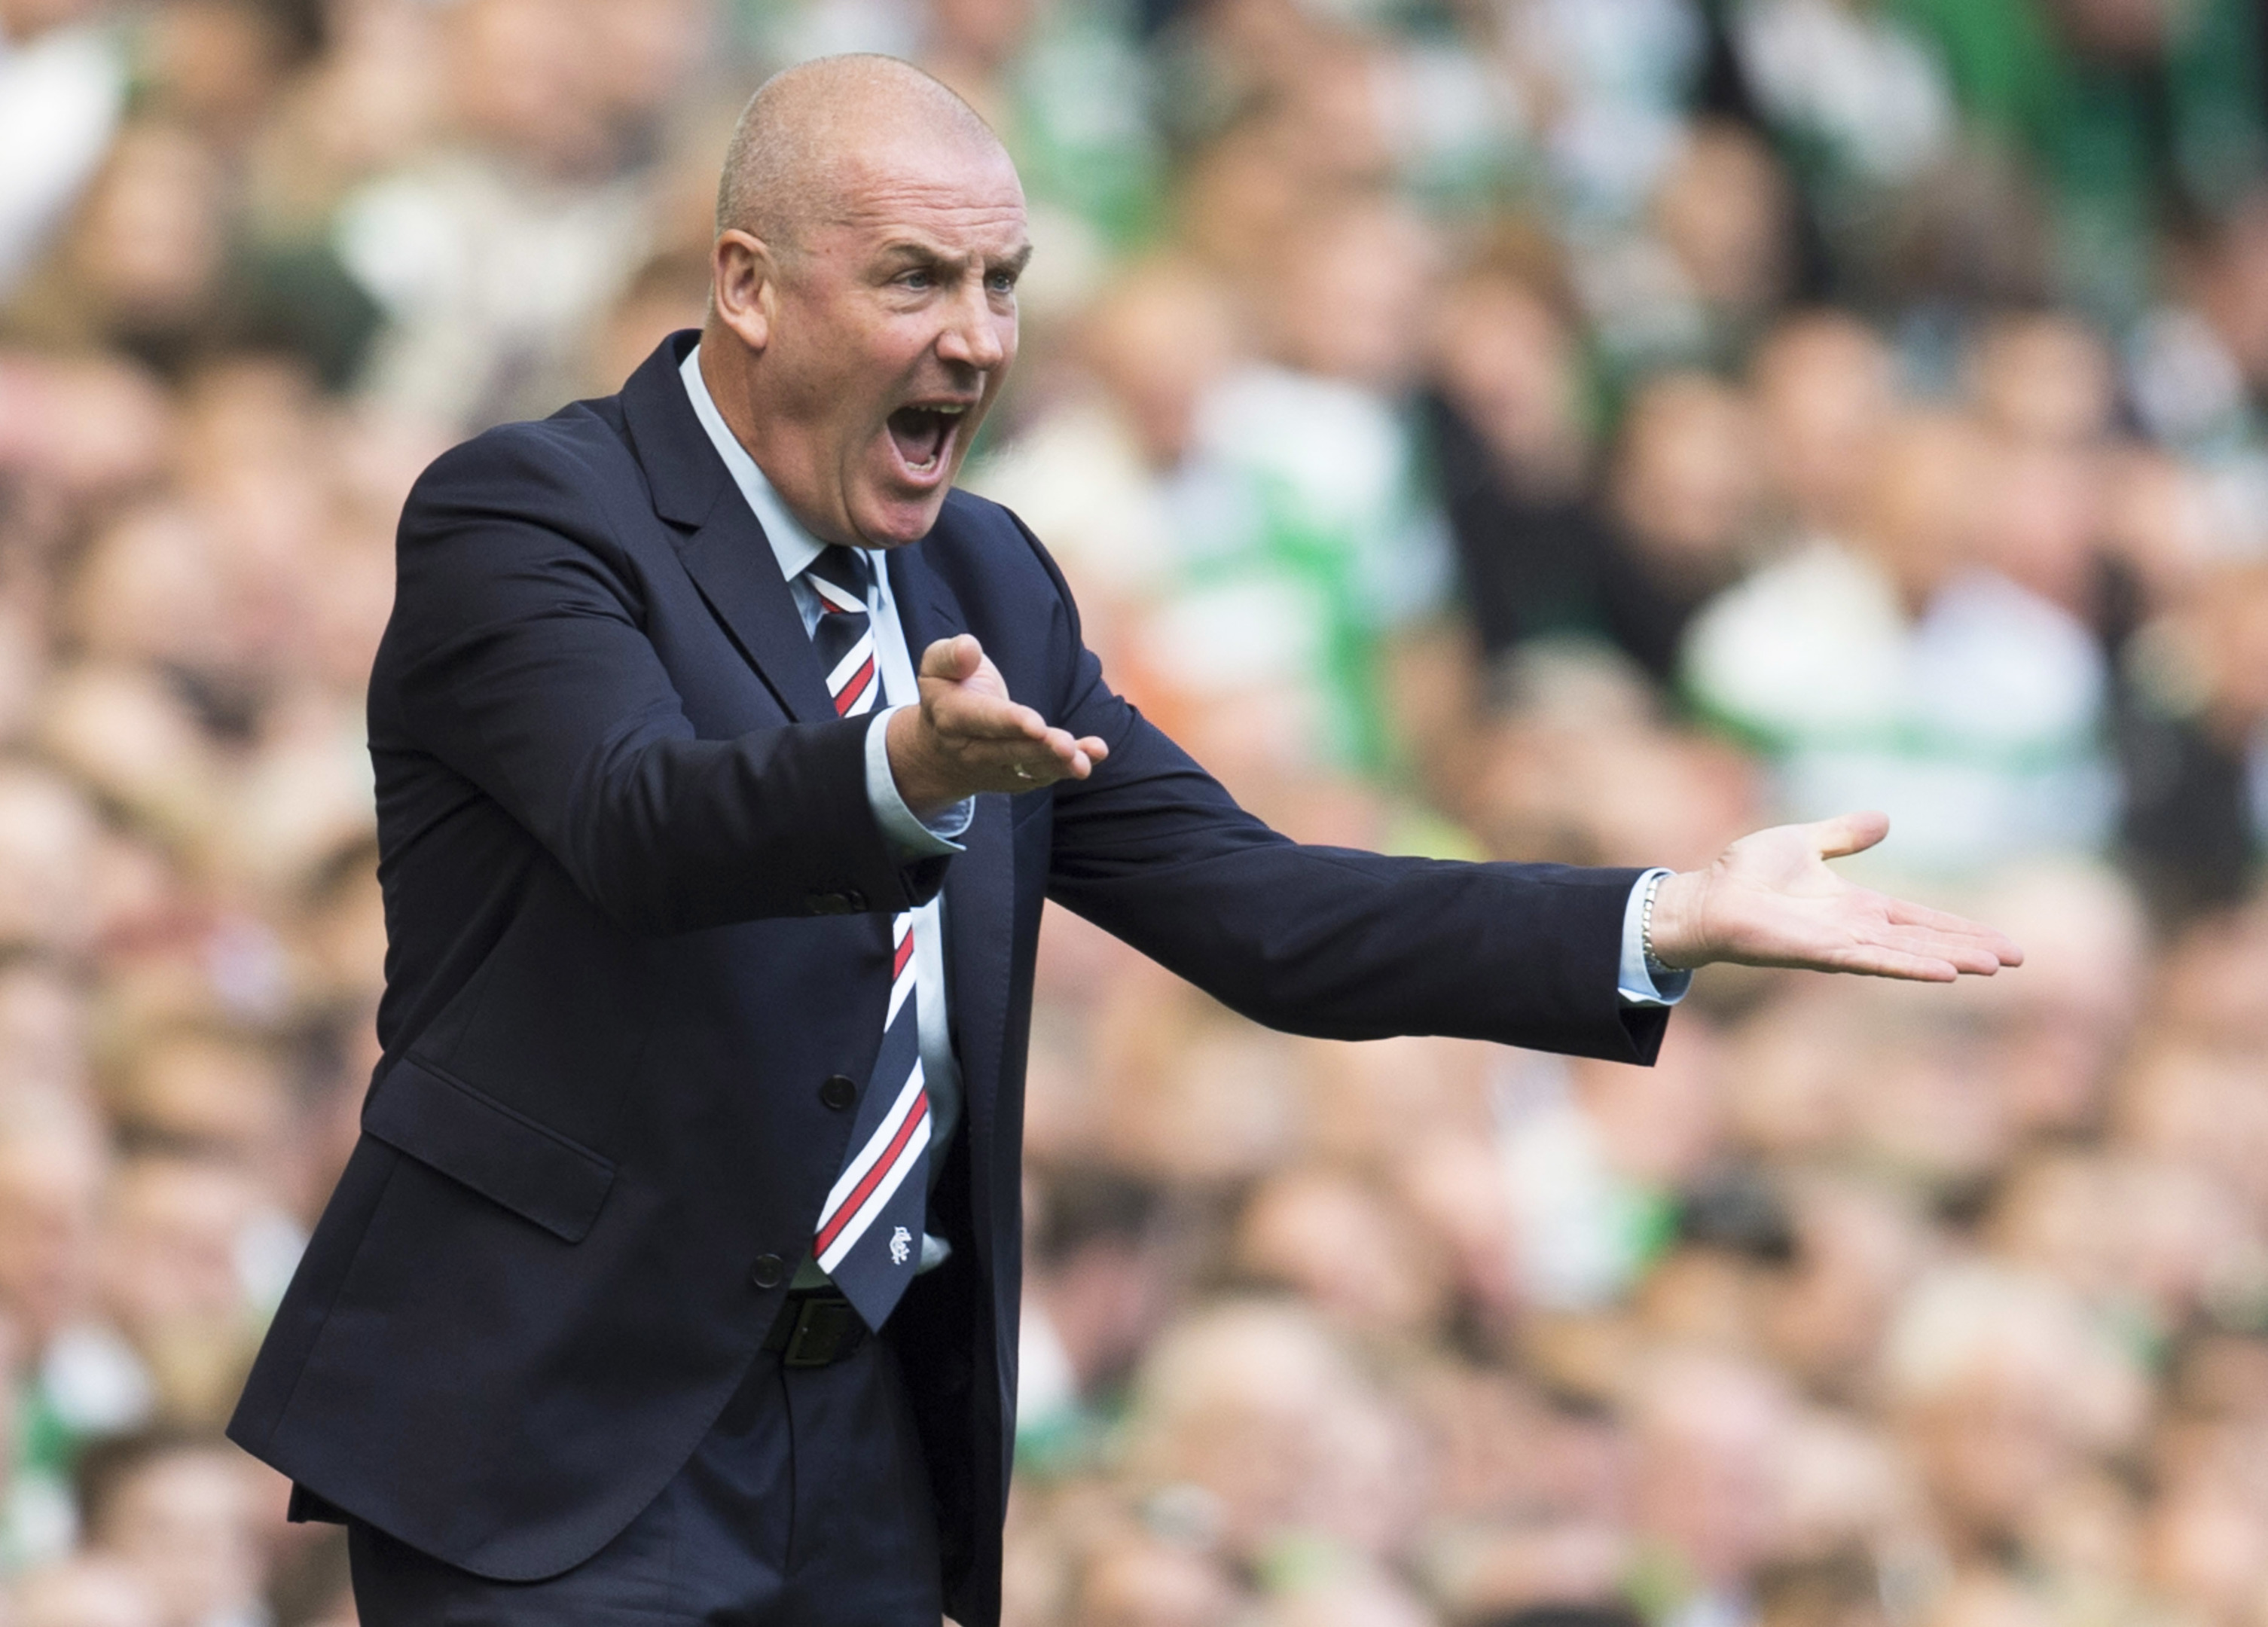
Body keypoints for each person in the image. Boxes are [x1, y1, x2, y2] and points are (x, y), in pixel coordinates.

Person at [224, 53, 2019, 1627]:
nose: (978, 337)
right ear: (745, 286)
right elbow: (638, 822)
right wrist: (898, 773)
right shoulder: (529, 511)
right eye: (916, 277)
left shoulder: (990, 571)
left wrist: (1664, 915)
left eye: (1003, 282)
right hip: (555, 1427)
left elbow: (1260, 909)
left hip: (860, 1445)